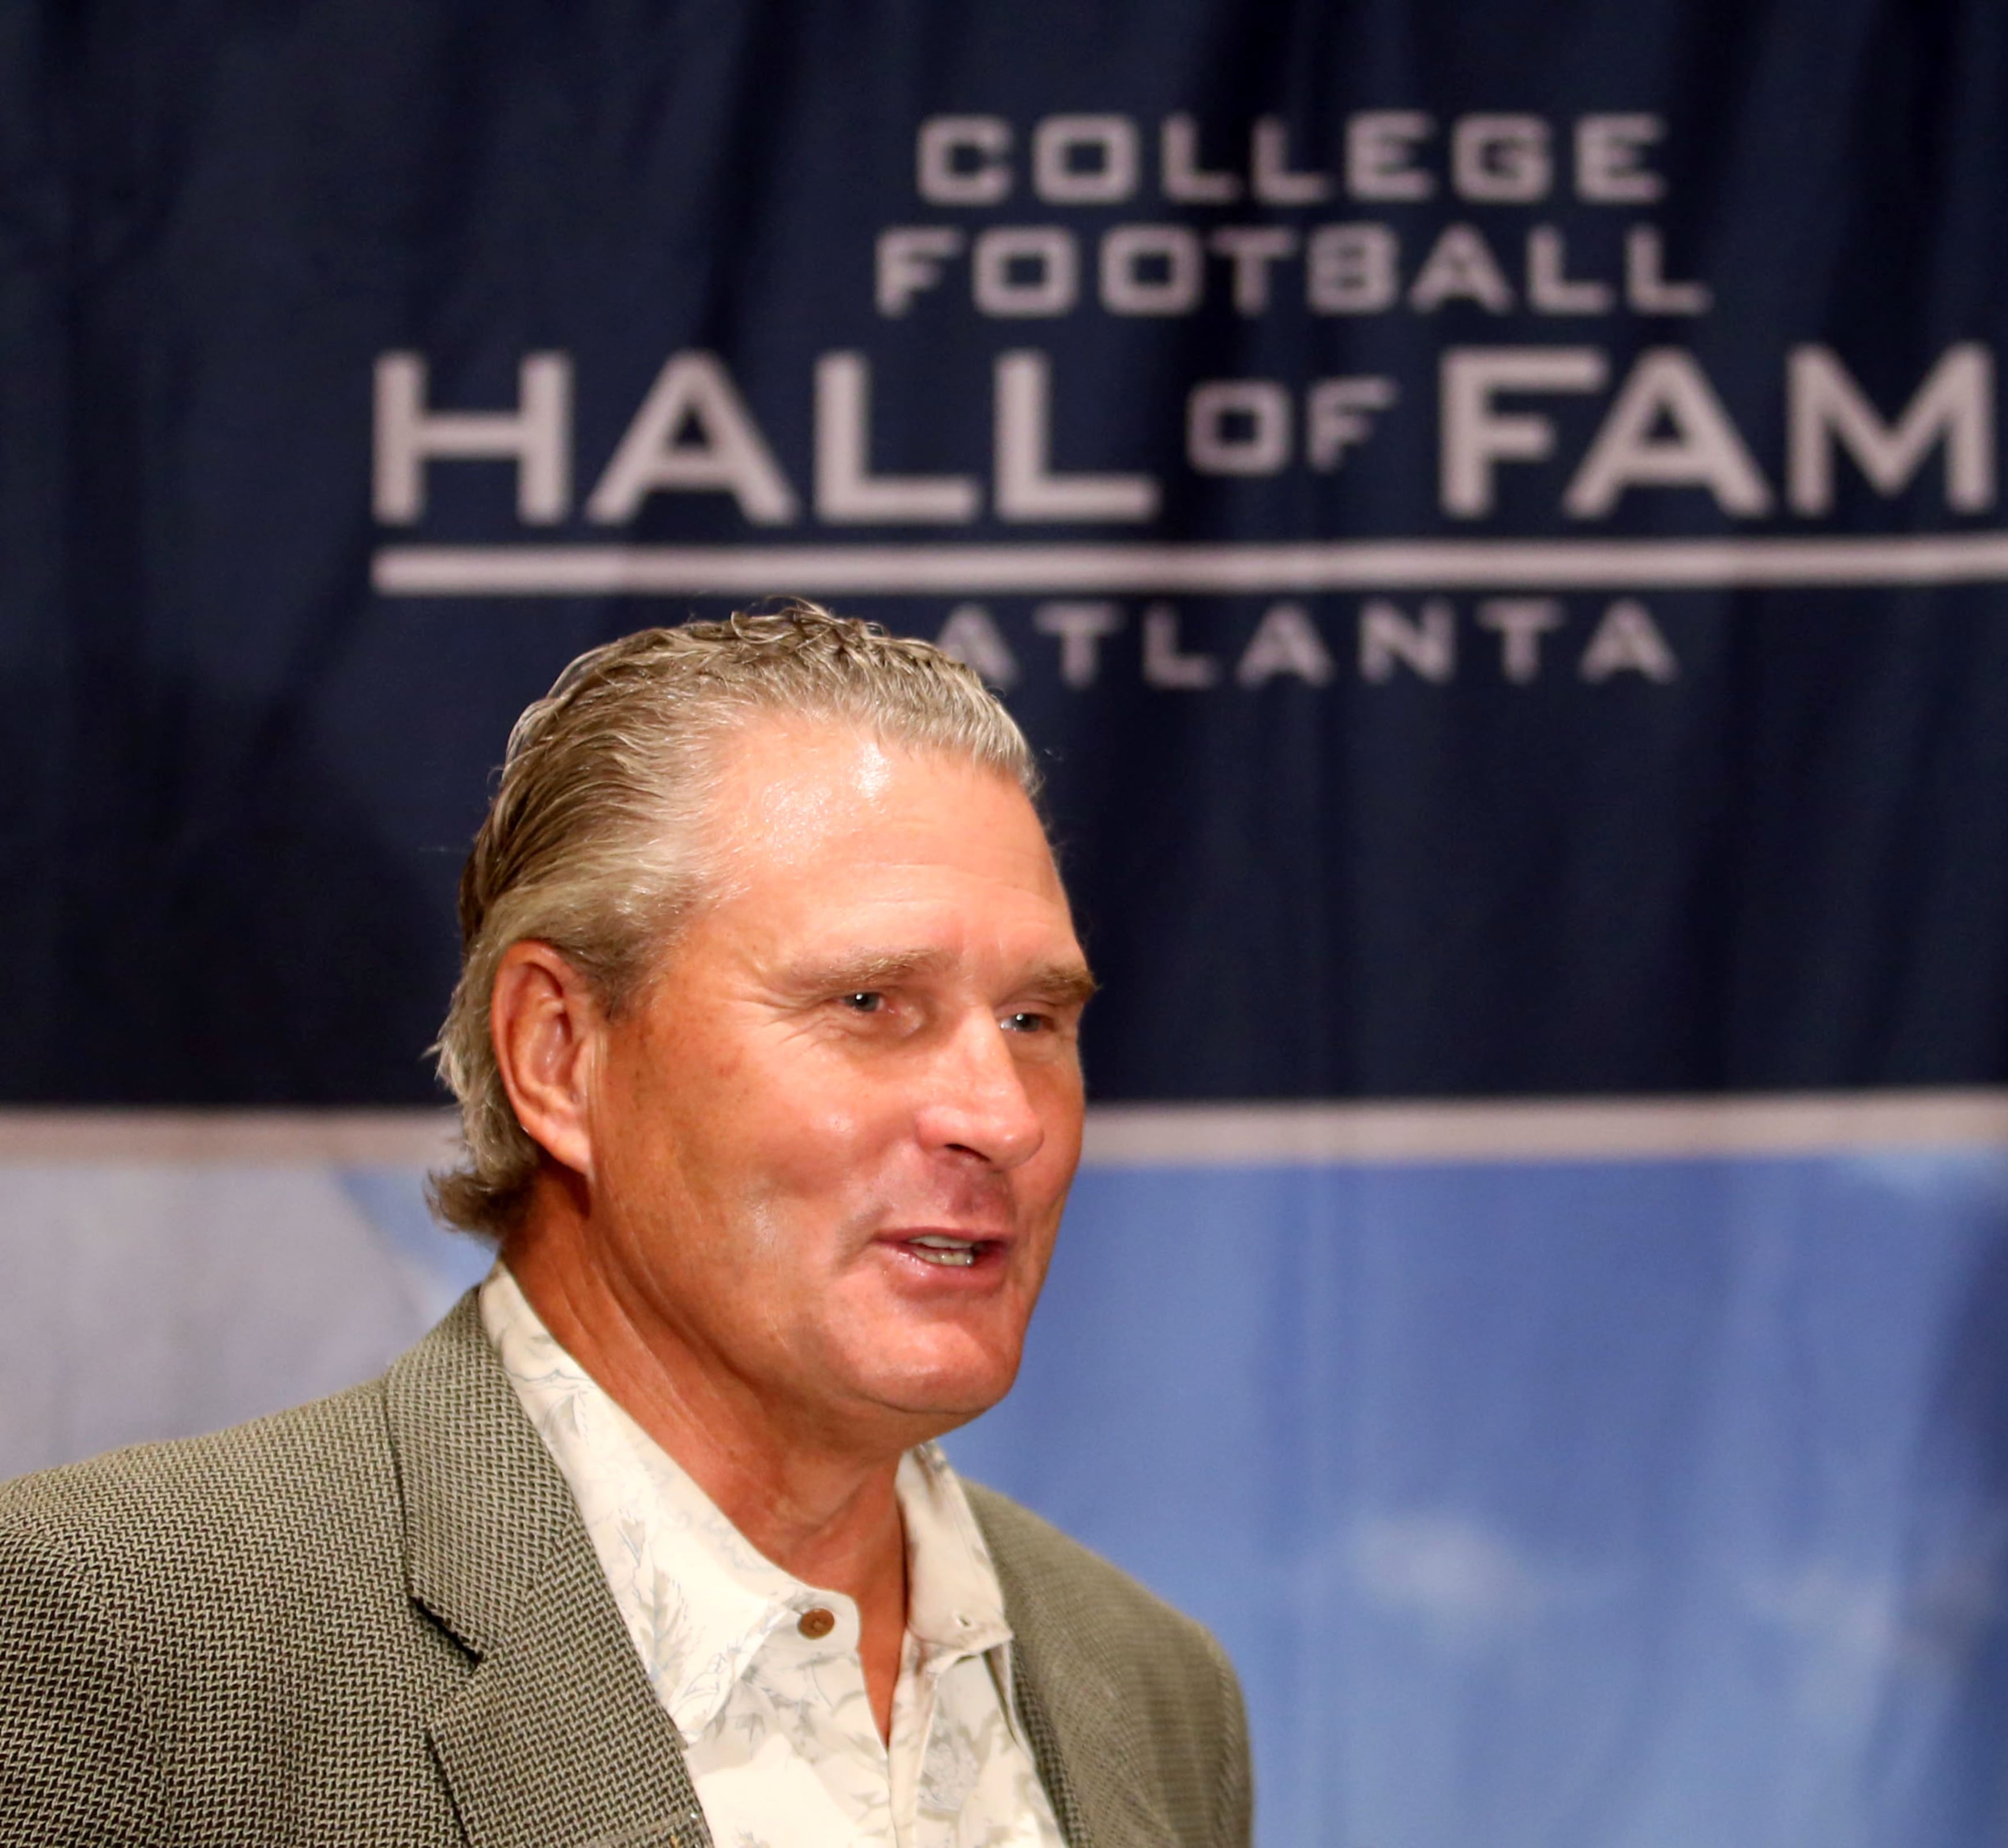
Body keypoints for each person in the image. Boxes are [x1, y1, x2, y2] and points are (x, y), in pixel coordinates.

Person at [0, 606, 1251, 1848]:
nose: (1003, 1116)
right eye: (872, 1001)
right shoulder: (128, 1640)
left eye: (1037, 1020)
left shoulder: (1152, 1693)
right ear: (559, 1054)